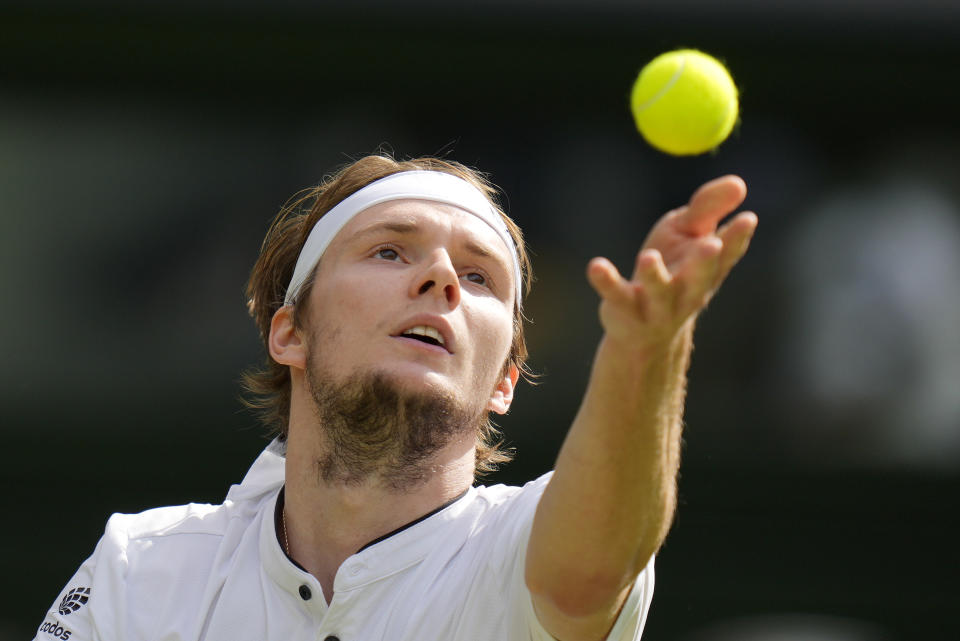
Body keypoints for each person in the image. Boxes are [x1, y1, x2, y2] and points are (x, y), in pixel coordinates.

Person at [33, 154, 757, 641]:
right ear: (290, 332)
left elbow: (592, 570)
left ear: (503, 380)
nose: (441, 276)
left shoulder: (521, 550)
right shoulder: (142, 565)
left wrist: (649, 346)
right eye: (390, 250)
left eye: (479, 278)